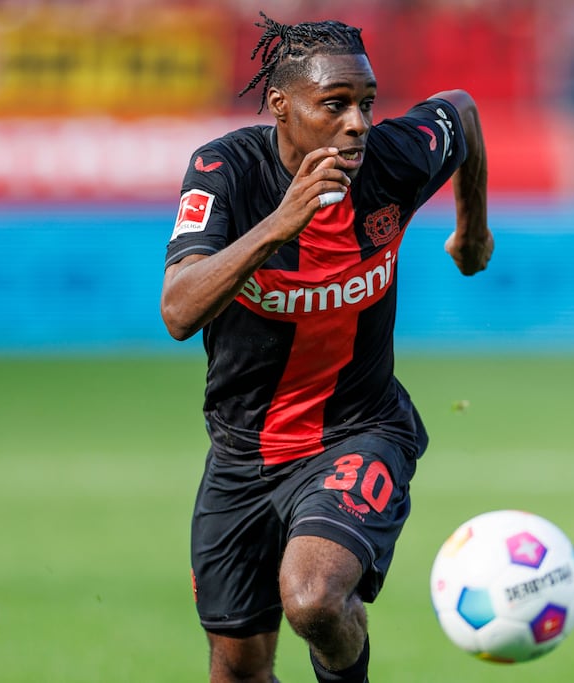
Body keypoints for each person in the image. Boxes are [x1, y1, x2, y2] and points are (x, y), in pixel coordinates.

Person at [159, 13, 493, 683]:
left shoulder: (392, 159)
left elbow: (461, 113)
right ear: (282, 106)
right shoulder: (224, 172)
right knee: (238, 669)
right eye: (335, 104)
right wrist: (281, 223)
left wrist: (472, 228)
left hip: (358, 429)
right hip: (242, 453)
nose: (358, 122)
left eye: (366, 102)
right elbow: (178, 309)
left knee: (313, 598)